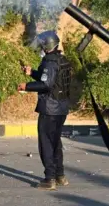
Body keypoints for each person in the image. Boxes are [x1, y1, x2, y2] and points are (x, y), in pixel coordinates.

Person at [18, 31, 72, 191]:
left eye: (42, 44)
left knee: (46, 143)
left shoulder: (49, 63)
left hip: (50, 109)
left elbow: (46, 85)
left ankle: (50, 178)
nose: (40, 46)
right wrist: (32, 73)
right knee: (56, 142)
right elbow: (51, 81)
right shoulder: (62, 60)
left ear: (46, 45)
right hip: (61, 108)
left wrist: (26, 86)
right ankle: (60, 175)